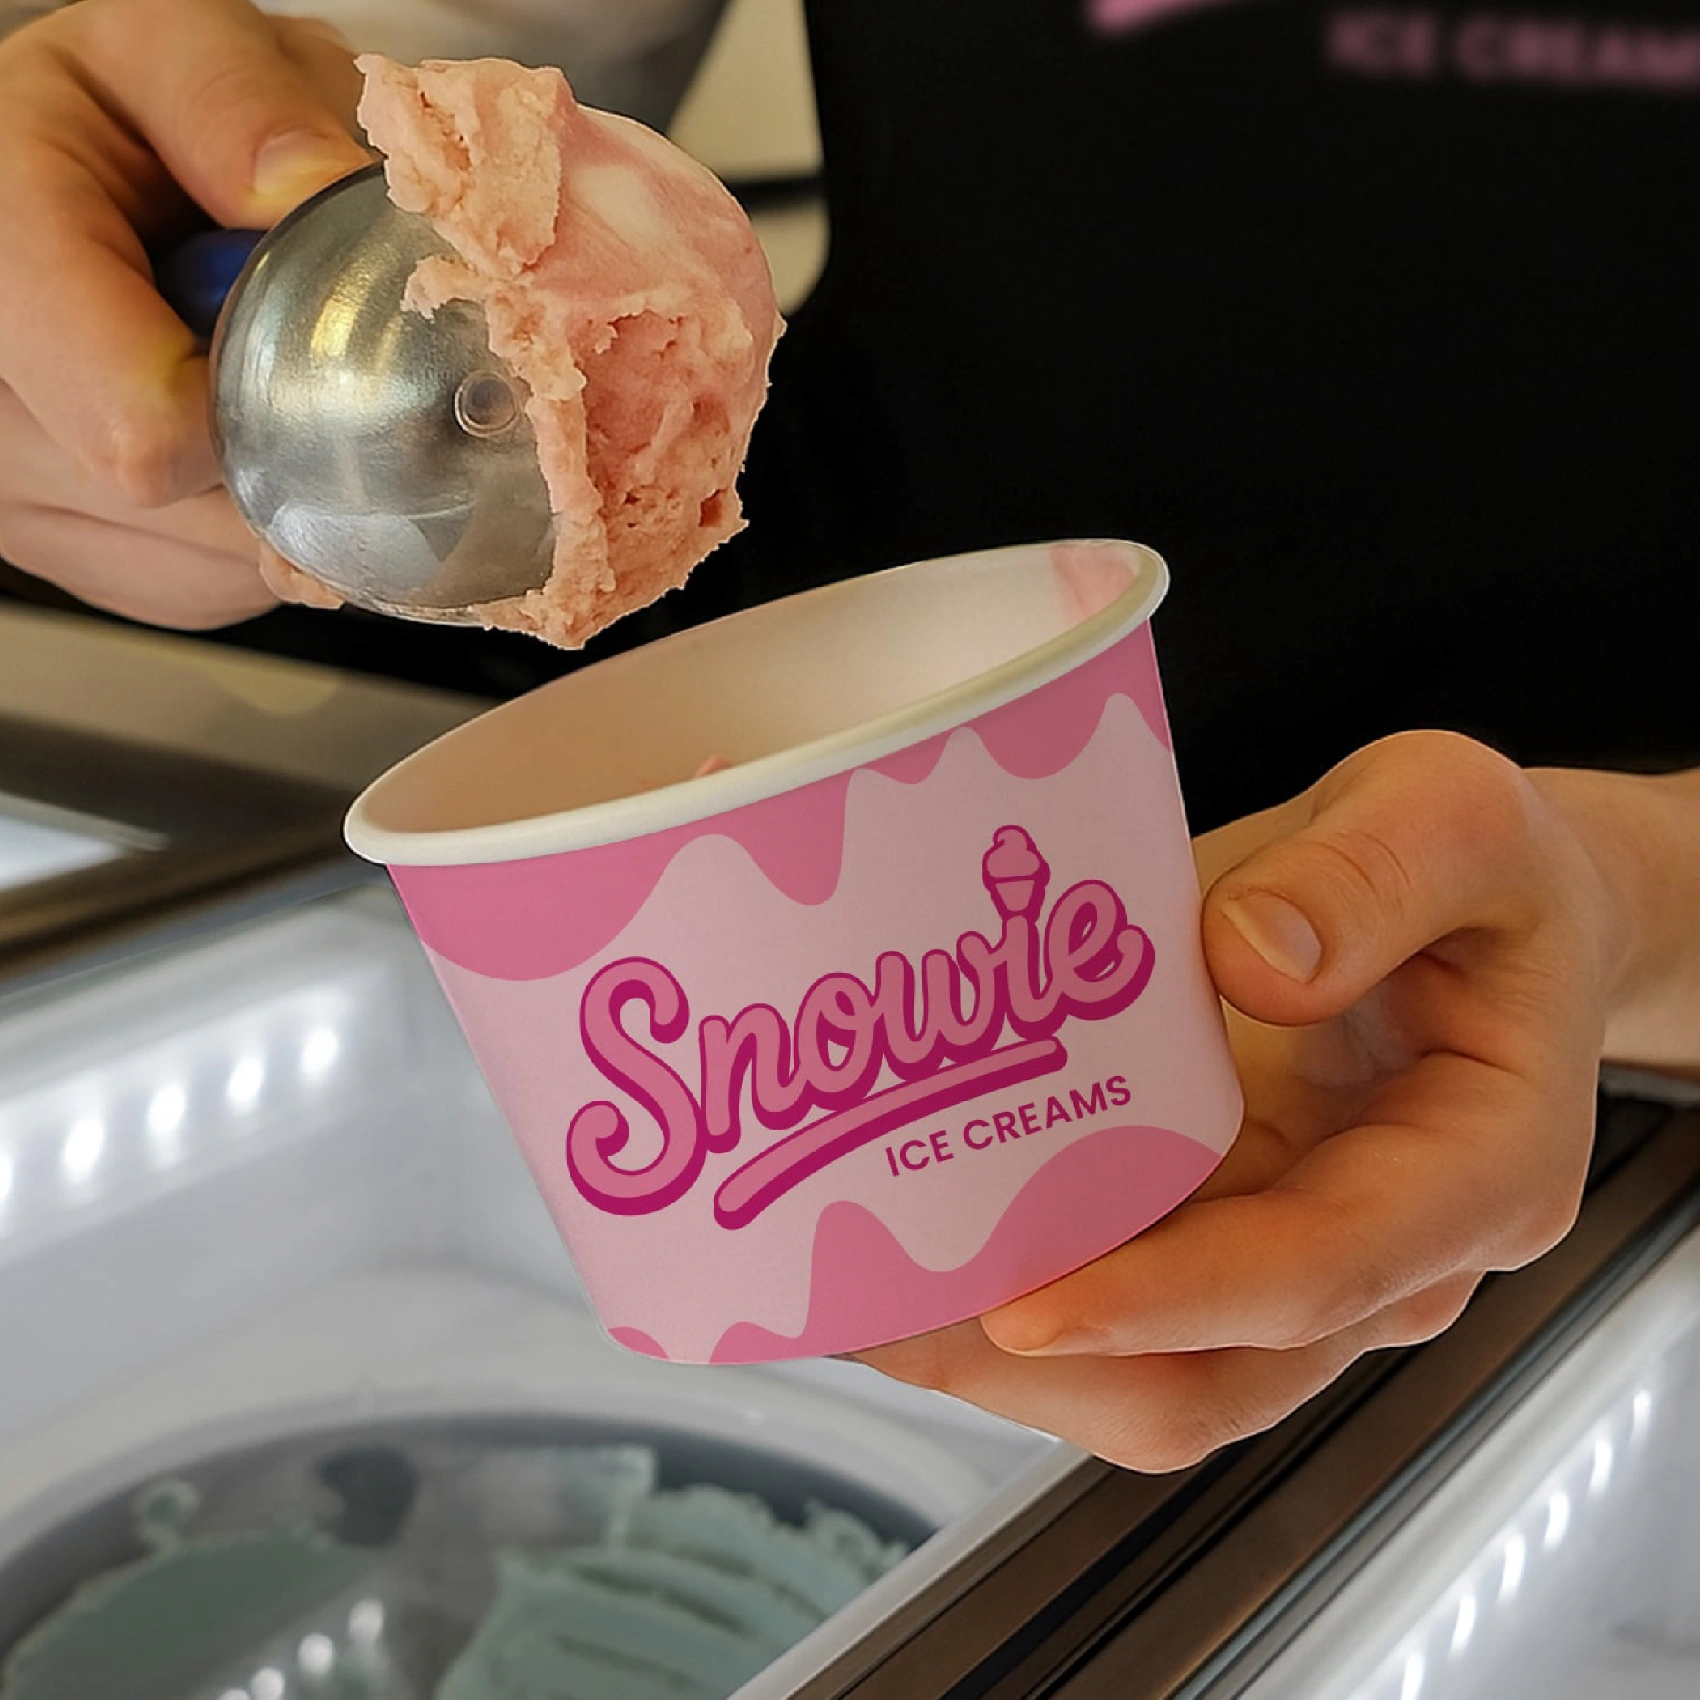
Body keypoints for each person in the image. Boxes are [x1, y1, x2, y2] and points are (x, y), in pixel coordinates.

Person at [1, 0, 1697, 1472]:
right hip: (815, 733)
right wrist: (133, 193)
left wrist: (1643, 898)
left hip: (1616, 1024)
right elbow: (431, 89)